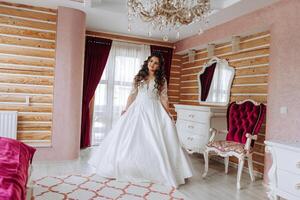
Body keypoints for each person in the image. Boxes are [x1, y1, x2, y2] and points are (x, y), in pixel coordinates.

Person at [88, 52, 193, 188]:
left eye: (156, 63)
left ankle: (157, 169)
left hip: (154, 110)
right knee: (132, 138)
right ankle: (130, 167)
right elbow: (132, 94)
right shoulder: (139, 77)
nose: (152, 65)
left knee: (155, 139)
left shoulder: (161, 80)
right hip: (137, 108)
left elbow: (163, 97)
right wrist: (126, 109)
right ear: (147, 62)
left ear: (159, 66)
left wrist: (168, 113)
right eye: (151, 61)